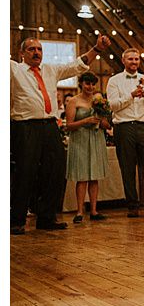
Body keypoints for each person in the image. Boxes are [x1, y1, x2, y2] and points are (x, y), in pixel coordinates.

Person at [10, 35, 110, 235]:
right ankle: (15, 220)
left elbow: (77, 65)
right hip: (25, 126)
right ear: (22, 54)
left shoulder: (50, 70)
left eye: (39, 49)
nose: (37, 52)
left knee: (54, 171)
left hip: (49, 126)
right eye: (31, 49)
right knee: (24, 172)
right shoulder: (13, 69)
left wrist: (97, 49)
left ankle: (47, 217)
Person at [106, 48, 144, 217]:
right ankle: (132, 205)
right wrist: (131, 96)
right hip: (124, 126)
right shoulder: (114, 81)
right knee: (127, 167)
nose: (134, 62)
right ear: (123, 61)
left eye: (136, 59)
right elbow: (112, 105)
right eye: (131, 59)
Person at [65, 71, 110, 223]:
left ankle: (94, 210)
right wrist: (85, 121)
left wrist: (102, 120)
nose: (90, 87)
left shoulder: (99, 101)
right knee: (82, 177)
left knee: (94, 176)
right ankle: (79, 211)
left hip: (96, 139)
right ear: (81, 84)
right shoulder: (73, 101)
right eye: (87, 83)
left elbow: (106, 124)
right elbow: (69, 126)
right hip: (80, 140)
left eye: (92, 84)